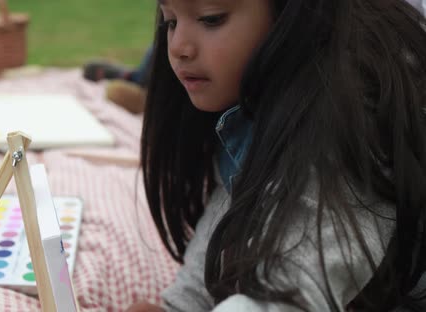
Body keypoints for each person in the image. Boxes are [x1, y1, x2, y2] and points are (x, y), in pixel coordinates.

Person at [132, 0, 426, 311]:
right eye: (170, 22)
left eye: (211, 19)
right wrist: (180, 305)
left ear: (289, 14)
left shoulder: (346, 118)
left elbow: (288, 292)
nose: (179, 47)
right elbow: (233, 200)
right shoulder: (254, 104)